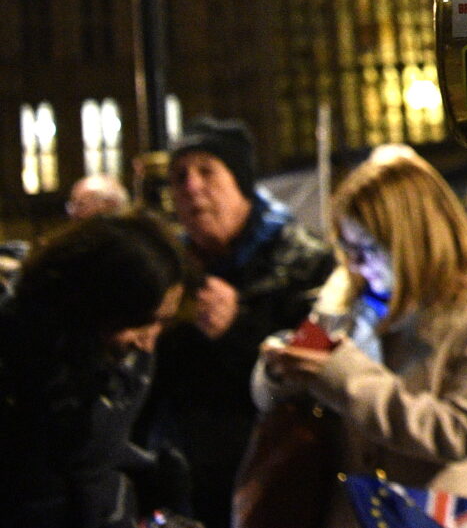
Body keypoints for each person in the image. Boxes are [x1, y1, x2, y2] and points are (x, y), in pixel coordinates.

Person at [255, 145, 467, 528]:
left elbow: (460, 433)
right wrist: (278, 373)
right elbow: (271, 400)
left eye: (365, 248)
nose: (354, 263)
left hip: (428, 512)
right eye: (346, 248)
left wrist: (345, 377)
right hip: (347, 511)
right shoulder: (345, 292)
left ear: (411, 239)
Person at [141, 117, 333, 528]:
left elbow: (317, 374)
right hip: (187, 488)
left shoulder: (306, 262)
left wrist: (237, 329)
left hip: (277, 483)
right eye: (179, 176)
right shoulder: (166, 272)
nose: (191, 186)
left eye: (206, 171)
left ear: (241, 182)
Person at [0, 214, 190, 527]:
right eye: (140, 321)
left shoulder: (123, 366)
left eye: (163, 321)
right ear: (94, 305)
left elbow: (100, 458)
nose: (148, 342)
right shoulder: (20, 371)